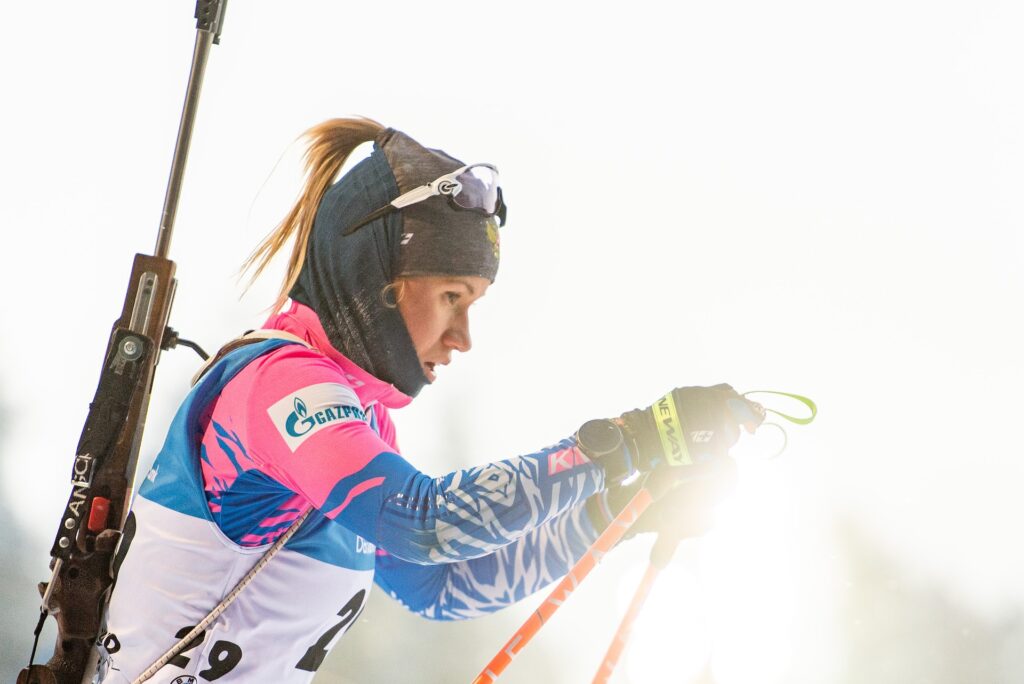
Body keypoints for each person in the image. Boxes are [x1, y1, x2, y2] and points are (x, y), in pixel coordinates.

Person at [95, 117, 762, 683]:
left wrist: (613, 511)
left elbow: (441, 585)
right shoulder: (281, 385)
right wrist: (630, 440)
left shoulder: (359, 418)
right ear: (378, 279)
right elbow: (426, 524)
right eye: (451, 297)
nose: (463, 337)